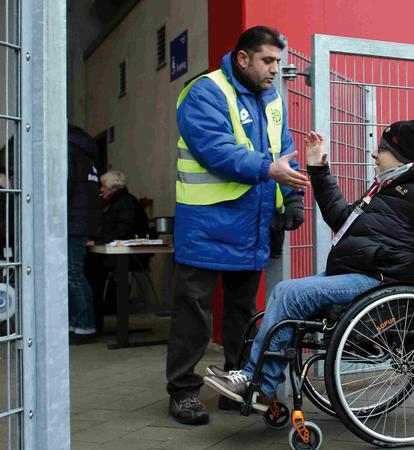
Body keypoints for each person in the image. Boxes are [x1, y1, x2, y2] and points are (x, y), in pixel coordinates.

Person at [203, 120, 414, 407]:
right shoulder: (392, 188)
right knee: (288, 297)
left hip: (383, 284)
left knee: (289, 293)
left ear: (401, 157)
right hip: (363, 276)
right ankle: (258, 382)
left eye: (382, 148)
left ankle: (258, 385)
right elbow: (341, 220)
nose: (374, 152)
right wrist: (318, 169)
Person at [166, 25, 308, 425]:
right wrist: (270, 170)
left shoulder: (273, 99)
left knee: (242, 314)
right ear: (243, 58)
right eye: (267, 60)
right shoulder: (205, 91)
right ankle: (183, 393)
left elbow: (285, 154)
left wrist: (294, 198)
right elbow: (216, 150)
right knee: (193, 314)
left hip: (251, 225)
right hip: (206, 224)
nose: (274, 69)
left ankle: (236, 386)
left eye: (278, 61)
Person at [86, 169, 149, 335]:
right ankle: (93, 322)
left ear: (114, 188)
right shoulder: (111, 203)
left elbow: (122, 230)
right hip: (110, 253)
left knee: (93, 275)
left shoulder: (126, 204)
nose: (101, 189)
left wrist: (98, 241)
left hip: (126, 256)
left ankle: (94, 323)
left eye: (104, 186)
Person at [67, 125, 102, 345]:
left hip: (70, 221)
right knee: (75, 275)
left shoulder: (68, 151)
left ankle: (84, 327)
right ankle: (79, 324)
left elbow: (63, 186)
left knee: (73, 275)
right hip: (80, 222)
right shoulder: (86, 155)